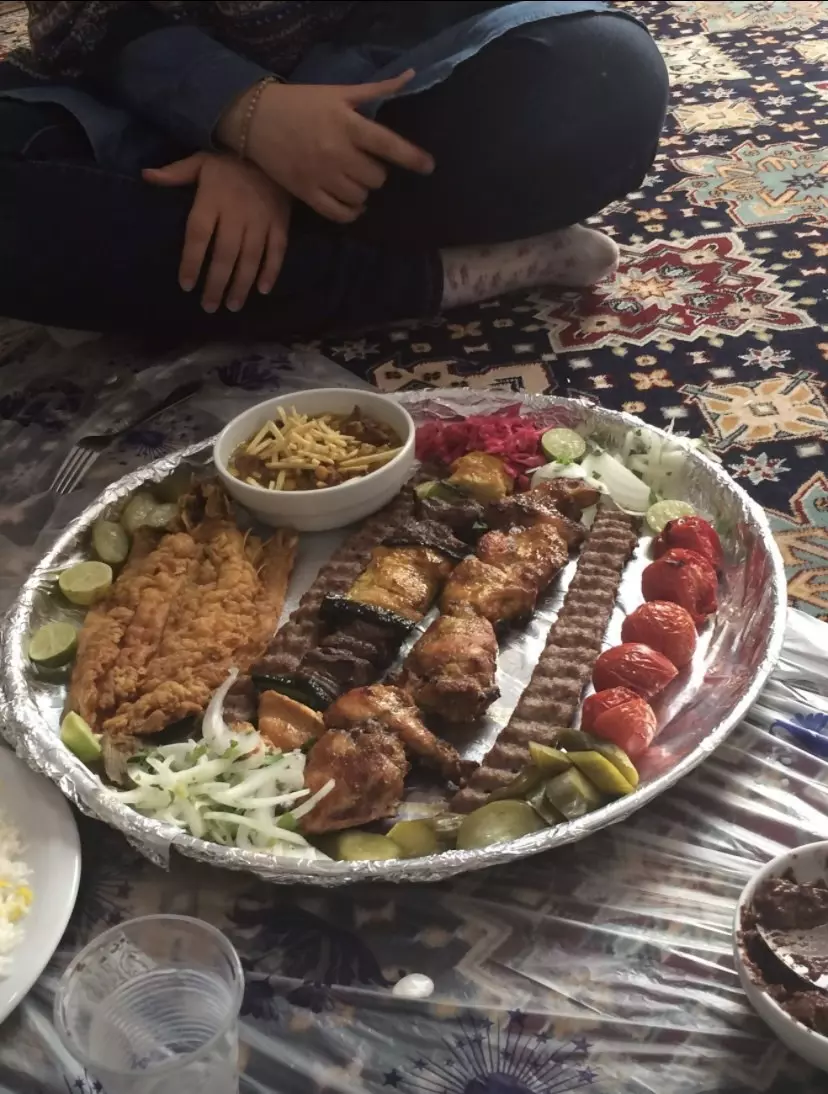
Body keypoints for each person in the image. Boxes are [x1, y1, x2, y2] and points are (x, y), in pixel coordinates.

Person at [0, 1, 668, 340]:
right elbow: (81, 25)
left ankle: (241, 256)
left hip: (386, 92)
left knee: (607, 77)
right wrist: (236, 110)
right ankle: (426, 278)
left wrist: (286, 141)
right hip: (136, 110)